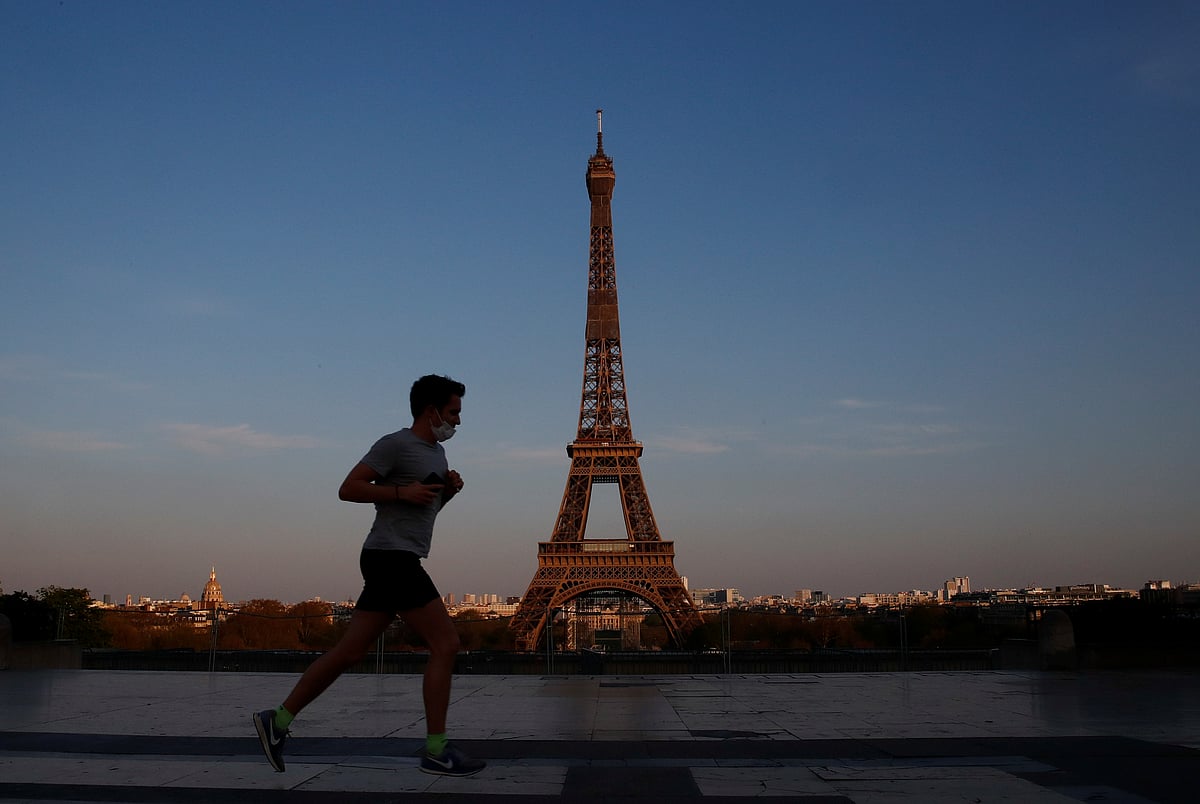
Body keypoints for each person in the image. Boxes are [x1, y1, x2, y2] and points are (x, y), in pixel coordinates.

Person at [253, 374, 485, 777]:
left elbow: (422, 513)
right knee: (446, 644)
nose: (458, 421)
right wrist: (400, 492)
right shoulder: (395, 444)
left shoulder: (437, 455)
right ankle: (436, 748)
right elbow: (348, 488)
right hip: (391, 558)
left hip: (393, 555)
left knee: (349, 652)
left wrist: (446, 492)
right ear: (431, 411)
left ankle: (279, 719)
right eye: (453, 412)